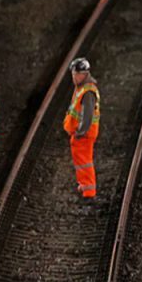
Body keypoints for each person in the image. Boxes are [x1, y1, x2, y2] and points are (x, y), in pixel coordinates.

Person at [62, 58, 100, 199]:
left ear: (84, 74)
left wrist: (80, 132)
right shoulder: (82, 88)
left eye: (76, 74)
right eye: (73, 74)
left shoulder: (88, 92)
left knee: (85, 162)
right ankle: (84, 185)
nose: (74, 77)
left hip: (84, 134)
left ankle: (89, 191)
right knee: (80, 161)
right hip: (80, 133)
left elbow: (87, 116)